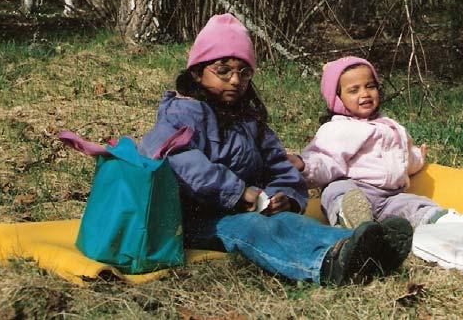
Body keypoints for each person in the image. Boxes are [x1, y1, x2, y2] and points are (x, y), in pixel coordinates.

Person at [138, 14, 413, 286]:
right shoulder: (182, 112)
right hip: (193, 220)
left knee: (291, 222)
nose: (235, 80)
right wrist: (236, 193)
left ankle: (361, 248)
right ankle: (325, 264)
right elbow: (176, 158)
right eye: (223, 71)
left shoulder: (249, 121)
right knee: (254, 228)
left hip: (247, 209)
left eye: (244, 73)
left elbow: (279, 165)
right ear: (197, 73)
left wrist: (287, 198)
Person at [287, 56, 463, 233]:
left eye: (370, 86)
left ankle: (452, 222)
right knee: (336, 191)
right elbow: (324, 159)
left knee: (414, 205)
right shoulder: (338, 129)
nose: (365, 94)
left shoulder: (389, 125)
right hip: (354, 187)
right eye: (354, 90)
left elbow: (400, 159)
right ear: (337, 98)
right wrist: (305, 166)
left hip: (389, 196)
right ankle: (349, 218)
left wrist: (417, 158)